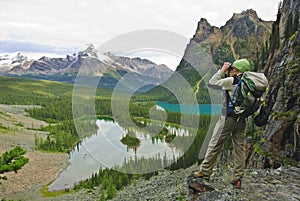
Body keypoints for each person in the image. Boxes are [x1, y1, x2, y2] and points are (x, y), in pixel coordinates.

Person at [191, 58, 252, 189]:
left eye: (232, 69)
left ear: (236, 70)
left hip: (227, 119)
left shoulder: (232, 80)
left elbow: (212, 83)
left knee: (215, 144)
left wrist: (222, 70)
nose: (230, 71)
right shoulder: (248, 83)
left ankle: (204, 173)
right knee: (239, 149)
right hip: (241, 119)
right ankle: (238, 179)